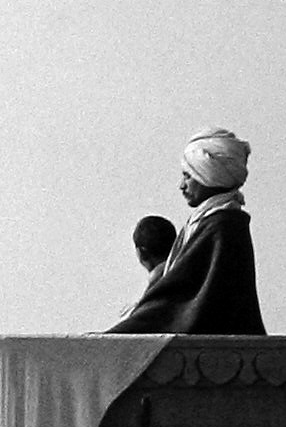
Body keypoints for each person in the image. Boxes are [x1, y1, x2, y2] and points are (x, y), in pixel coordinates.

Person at [106, 128, 266, 334]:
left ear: (208, 176)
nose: (181, 185)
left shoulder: (222, 227)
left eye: (188, 176)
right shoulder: (205, 223)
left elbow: (177, 301)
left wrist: (120, 333)